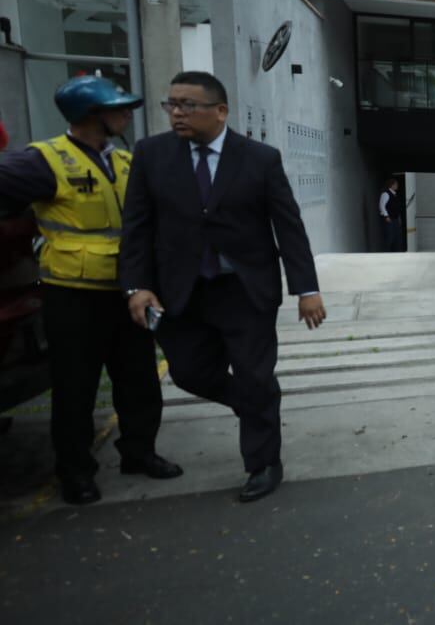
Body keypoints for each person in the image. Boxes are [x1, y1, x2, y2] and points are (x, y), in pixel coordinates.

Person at [119, 71, 326, 503]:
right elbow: (137, 227)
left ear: (220, 111)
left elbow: (288, 226)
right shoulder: (151, 154)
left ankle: (263, 463)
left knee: (255, 375)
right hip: (181, 290)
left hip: (244, 290)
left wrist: (306, 289)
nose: (177, 113)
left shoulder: (260, 159)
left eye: (188, 105)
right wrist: (137, 286)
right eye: (172, 104)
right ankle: (251, 402)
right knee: (188, 372)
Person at [0, 76, 181, 505]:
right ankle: (76, 472)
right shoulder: (43, 160)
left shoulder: (124, 161)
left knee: (139, 378)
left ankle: (139, 452)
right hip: (72, 294)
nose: (127, 115)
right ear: (90, 114)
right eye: (118, 109)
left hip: (128, 290)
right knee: (75, 387)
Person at [378, 177, 403, 252]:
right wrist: (386, 216)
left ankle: (397, 253)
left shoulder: (395, 194)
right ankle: (386, 253)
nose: (397, 185)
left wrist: (399, 218)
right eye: (396, 184)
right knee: (389, 238)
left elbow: (396, 208)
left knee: (397, 237)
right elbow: (381, 206)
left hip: (395, 219)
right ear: (391, 185)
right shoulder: (385, 194)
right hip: (389, 219)